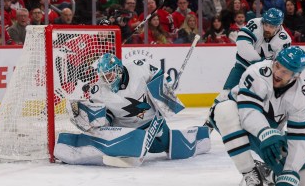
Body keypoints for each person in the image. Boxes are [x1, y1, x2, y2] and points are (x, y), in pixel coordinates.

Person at [54, 53, 211, 165]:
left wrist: (166, 91)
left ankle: (201, 136)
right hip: (124, 130)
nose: (107, 79)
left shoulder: (139, 68)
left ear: (118, 70)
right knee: (121, 144)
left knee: (163, 146)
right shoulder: (98, 90)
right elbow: (105, 115)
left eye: (109, 74)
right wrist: (98, 124)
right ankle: (71, 145)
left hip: (151, 122)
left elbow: (160, 76)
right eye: (103, 76)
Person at [210, 46, 305, 186]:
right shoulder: (257, 72)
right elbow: (247, 111)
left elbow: (300, 136)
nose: (278, 73)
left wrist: (290, 173)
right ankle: (249, 172)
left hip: (268, 134)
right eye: (277, 66)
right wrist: (266, 132)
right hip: (236, 120)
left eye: (285, 72)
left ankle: (268, 172)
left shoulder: (302, 95)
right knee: (224, 109)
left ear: (296, 76)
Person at [218, 8, 291, 99]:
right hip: (243, 66)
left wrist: (262, 68)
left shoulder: (284, 40)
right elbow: (242, 45)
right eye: (266, 24)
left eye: (271, 26)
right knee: (225, 95)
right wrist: (260, 63)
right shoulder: (255, 23)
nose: (267, 28)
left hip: (264, 75)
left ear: (279, 26)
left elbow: (280, 66)